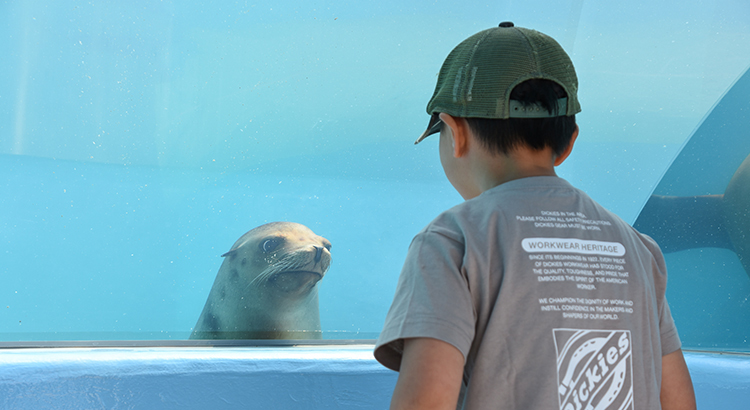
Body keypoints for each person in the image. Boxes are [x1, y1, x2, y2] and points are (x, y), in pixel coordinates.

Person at [374, 22, 696, 410]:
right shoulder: (638, 249)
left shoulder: (451, 242)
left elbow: (425, 402)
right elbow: (678, 401)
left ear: (454, 132)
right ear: (569, 142)